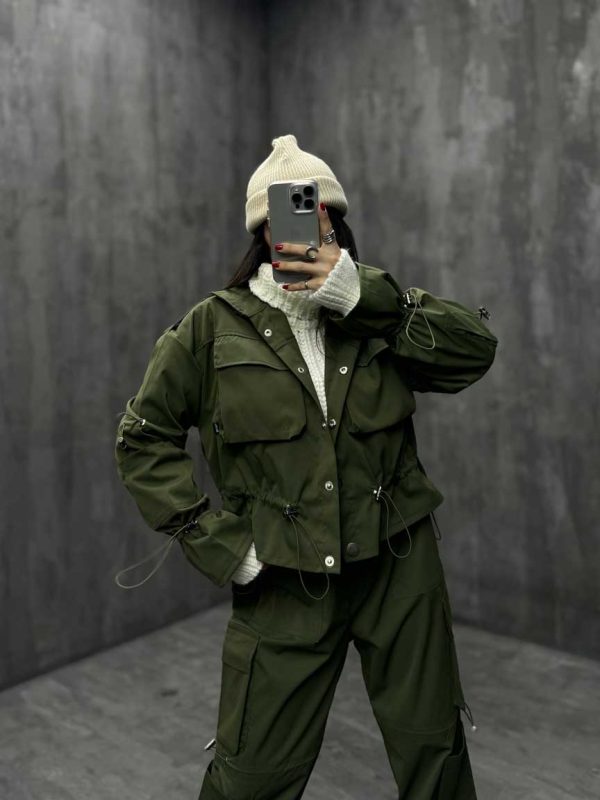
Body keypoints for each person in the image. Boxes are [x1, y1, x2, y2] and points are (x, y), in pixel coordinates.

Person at [114, 133, 497, 799]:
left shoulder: (375, 312)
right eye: (287, 214)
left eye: (321, 212)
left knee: (434, 751)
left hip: (399, 567)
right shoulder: (209, 330)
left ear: (334, 221)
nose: (307, 226)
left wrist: (364, 298)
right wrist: (221, 545)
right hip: (282, 582)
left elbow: (475, 352)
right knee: (250, 778)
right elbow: (141, 440)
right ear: (264, 231)